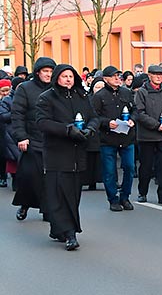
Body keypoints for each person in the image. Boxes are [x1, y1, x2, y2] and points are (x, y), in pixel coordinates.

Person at [36, 64, 99, 251]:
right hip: (57, 153)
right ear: (57, 78)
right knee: (59, 194)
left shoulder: (82, 96)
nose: (68, 79)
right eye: (64, 76)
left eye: (71, 76)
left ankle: (59, 228)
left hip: (77, 153)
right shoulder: (47, 98)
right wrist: (67, 130)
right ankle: (70, 233)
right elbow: (42, 122)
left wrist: (90, 129)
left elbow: (94, 117)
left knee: (73, 194)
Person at [12, 57, 56, 222]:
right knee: (30, 176)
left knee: (50, 178)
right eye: (45, 71)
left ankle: (47, 210)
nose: (48, 75)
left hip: (51, 140)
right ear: (38, 72)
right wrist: (21, 136)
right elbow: (17, 114)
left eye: (51, 72)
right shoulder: (25, 88)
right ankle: (25, 204)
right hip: (31, 139)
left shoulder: (55, 89)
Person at [92, 66, 137, 211]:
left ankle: (125, 197)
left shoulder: (126, 92)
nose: (118, 79)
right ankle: (113, 199)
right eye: (114, 76)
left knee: (129, 168)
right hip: (108, 139)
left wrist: (133, 120)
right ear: (105, 79)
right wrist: (107, 123)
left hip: (126, 137)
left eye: (119, 76)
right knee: (110, 171)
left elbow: (135, 110)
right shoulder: (99, 96)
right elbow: (94, 117)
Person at [134, 65, 162, 205]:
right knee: (146, 166)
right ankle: (142, 192)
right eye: (156, 74)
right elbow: (139, 113)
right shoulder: (142, 92)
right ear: (149, 75)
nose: (159, 76)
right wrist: (156, 125)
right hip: (147, 135)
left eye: (161, 74)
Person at [0, 78, 25, 191]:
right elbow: (3, 116)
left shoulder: (25, 98)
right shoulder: (7, 100)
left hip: (22, 131)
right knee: (13, 160)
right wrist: (17, 112)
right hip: (9, 133)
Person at [81, 77, 104, 191]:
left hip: (103, 132)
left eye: (102, 87)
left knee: (101, 159)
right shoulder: (87, 99)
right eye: (97, 87)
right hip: (90, 131)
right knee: (89, 159)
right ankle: (89, 181)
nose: (99, 90)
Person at [0, 79, 12, 188]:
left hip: (7, 131)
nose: (5, 93)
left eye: (7, 90)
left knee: (5, 155)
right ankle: (2, 177)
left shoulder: (11, 100)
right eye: (2, 91)